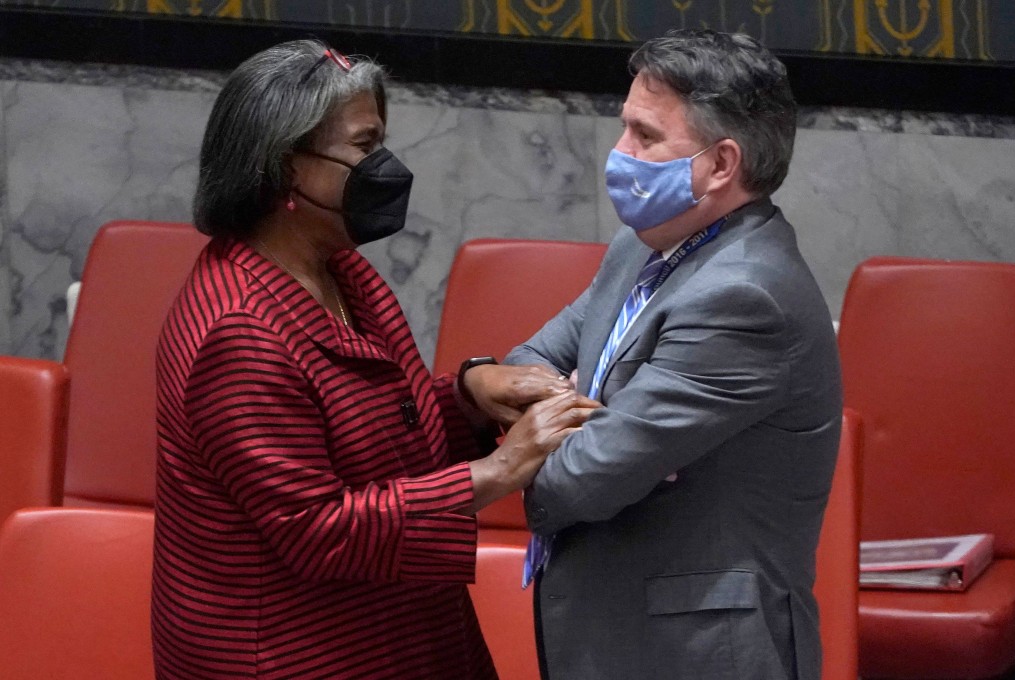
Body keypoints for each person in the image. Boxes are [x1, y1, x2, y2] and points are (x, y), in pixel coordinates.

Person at [151, 39, 598, 680]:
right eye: (364, 148)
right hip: (293, 655)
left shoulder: (339, 269)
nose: (383, 166)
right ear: (284, 169)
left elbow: (382, 427)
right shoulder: (238, 332)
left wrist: (470, 395)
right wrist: (500, 470)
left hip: (395, 627)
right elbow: (316, 526)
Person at [461, 29, 842, 680]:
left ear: (721, 164)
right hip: (614, 633)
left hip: (699, 653)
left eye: (645, 136)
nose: (620, 154)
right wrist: (500, 383)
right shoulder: (642, 249)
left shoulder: (745, 295)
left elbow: (577, 481)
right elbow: (529, 362)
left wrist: (572, 423)